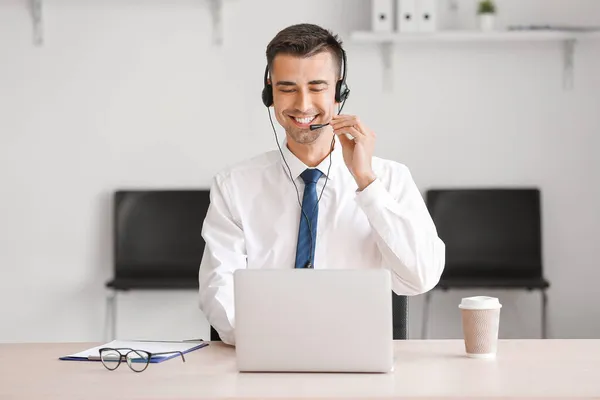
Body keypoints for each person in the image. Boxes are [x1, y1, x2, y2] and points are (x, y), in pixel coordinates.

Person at [198, 23, 445, 346]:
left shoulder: (390, 180)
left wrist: (367, 184)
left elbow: (420, 278)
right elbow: (219, 290)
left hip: (358, 361)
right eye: (287, 88)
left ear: (339, 91)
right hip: (263, 358)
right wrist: (268, 344)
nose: (302, 104)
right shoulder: (234, 186)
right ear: (269, 92)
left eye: (317, 87)